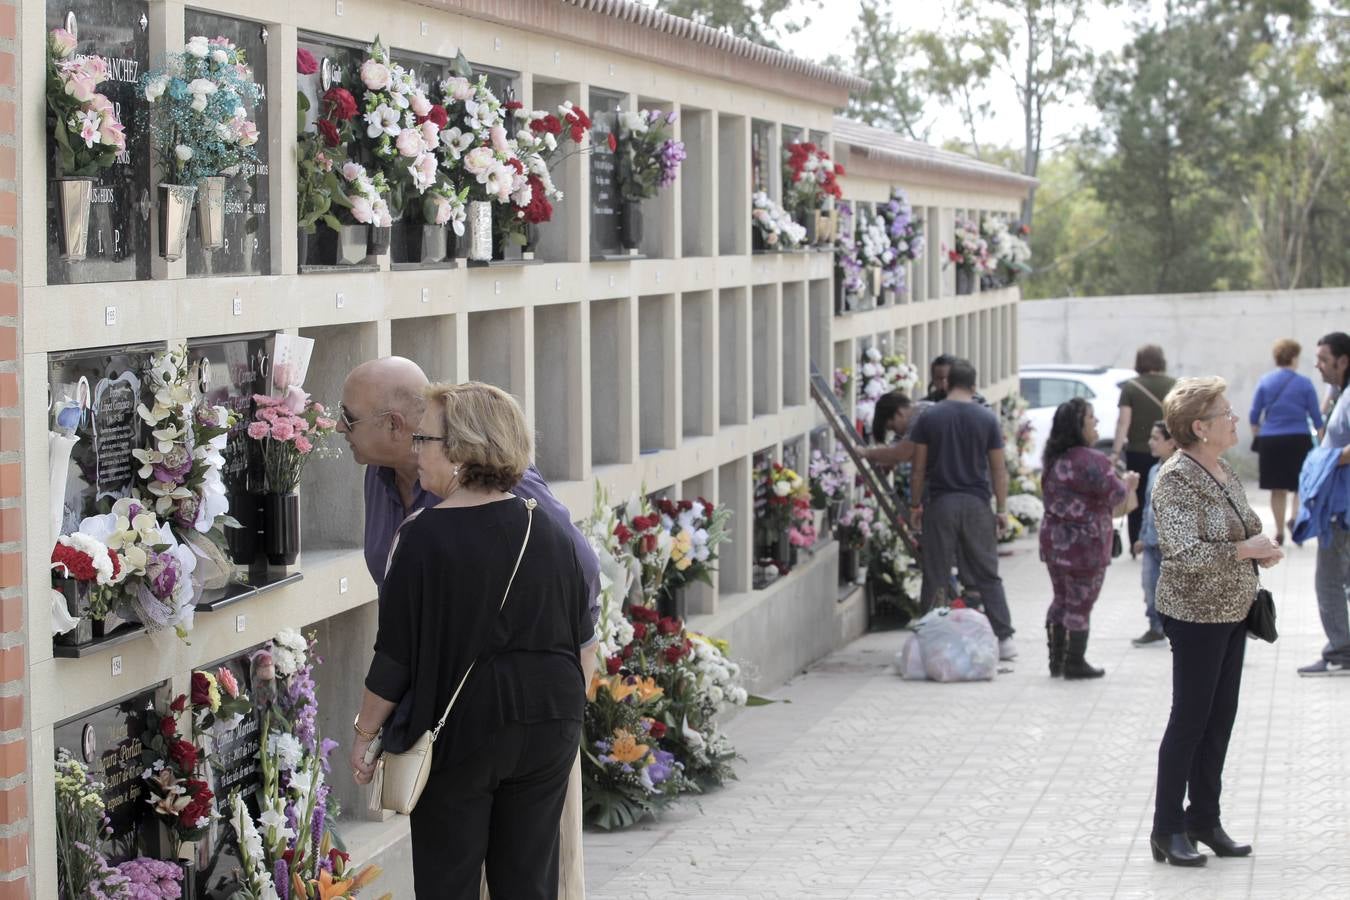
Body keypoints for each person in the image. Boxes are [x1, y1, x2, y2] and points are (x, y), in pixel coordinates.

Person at [339, 357, 598, 897]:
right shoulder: (549, 528)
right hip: (550, 723)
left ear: (460, 450)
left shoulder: (423, 537)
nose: (416, 449)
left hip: (462, 729)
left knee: (449, 881)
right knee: (527, 884)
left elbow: (395, 658)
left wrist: (365, 737)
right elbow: (580, 634)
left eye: (425, 440)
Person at [1149, 377, 1283, 867]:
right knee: (1190, 720)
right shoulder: (1175, 478)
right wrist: (1243, 550)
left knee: (1219, 719)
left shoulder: (1221, 468)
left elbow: (1244, 524)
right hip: (1194, 613)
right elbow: (1182, 552)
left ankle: (1204, 818)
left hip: (1233, 610)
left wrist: (1260, 548)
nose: (1235, 418)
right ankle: (1167, 828)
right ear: (1200, 427)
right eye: (1225, 412)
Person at [906, 358, 1017, 660]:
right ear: (973, 385)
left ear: (946, 383)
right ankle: (1004, 638)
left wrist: (915, 505)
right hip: (977, 503)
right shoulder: (987, 419)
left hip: (940, 502)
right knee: (986, 573)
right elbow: (998, 469)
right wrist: (1002, 509)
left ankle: (928, 638)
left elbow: (918, 469)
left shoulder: (930, 417)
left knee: (936, 573)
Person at [1038, 398, 1134, 678]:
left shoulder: (1053, 458)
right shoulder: (1093, 460)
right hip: (1085, 545)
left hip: (1054, 542)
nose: (1096, 424)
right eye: (1091, 418)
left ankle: (1056, 660)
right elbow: (1117, 496)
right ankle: (1074, 662)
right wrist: (1129, 483)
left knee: (1060, 598)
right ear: (1078, 425)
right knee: (1080, 602)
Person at [1298, 332, 1350, 676]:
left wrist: (1326, 461)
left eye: (1322, 358)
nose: (1317, 365)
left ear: (1343, 360)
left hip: (1342, 507)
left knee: (1329, 580)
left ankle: (1341, 650)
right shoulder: (1339, 394)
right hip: (1337, 504)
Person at [1248, 338, 1323, 545]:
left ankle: (1279, 530)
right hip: (1299, 439)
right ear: (1293, 357)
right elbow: (1316, 417)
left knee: (1276, 488)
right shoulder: (1304, 383)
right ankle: (1294, 518)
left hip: (1271, 440)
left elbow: (1254, 416)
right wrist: (1323, 441)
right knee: (1299, 485)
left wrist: (1258, 436)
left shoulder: (1265, 381)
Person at [1112, 345, 1176, 548]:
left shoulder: (1131, 387)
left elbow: (1123, 422)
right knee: (1167, 494)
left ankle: (1135, 542)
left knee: (1136, 494)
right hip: (1168, 447)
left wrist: (1115, 452)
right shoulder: (1174, 385)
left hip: (1137, 451)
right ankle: (1164, 538)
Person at [1132, 421, 1177, 647]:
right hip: (1151, 542)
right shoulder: (1153, 471)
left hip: (1172, 547)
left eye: (1155, 438)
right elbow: (1147, 507)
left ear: (1171, 443)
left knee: (1173, 591)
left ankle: (1174, 629)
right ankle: (1155, 627)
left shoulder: (1180, 472)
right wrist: (1140, 536)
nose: (1150, 442)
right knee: (1149, 586)